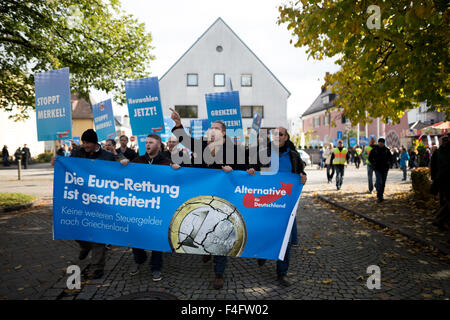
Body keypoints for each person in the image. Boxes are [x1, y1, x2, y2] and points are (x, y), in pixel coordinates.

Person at [170, 107, 251, 290]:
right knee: (201, 227)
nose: (211, 132)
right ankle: (205, 250)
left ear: (223, 132)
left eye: (215, 129)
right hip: (202, 197)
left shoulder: (235, 151)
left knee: (220, 233)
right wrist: (177, 124)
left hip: (224, 199)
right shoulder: (202, 146)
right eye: (210, 129)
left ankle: (219, 273)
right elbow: (186, 142)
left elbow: (247, 172)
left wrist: (234, 172)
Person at [255, 127, 307, 287]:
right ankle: (263, 252)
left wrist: (303, 177)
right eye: (275, 134)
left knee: (286, 239)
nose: (277, 136)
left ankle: (282, 273)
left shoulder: (293, 155)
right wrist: (250, 172)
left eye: (281, 134)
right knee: (264, 231)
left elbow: (301, 173)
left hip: (286, 203)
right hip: (266, 201)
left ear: (286, 138)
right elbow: (253, 171)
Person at [126, 134, 180, 281]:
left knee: (157, 237)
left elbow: (176, 182)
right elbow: (126, 176)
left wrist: (177, 171)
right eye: (146, 142)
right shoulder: (137, 161)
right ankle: (139, 259)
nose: (148, 145)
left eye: (151, 142)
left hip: (158, 207)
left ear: (158, 145)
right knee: (136, 234)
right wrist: (123, 164)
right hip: (140, 206)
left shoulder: (167, 163)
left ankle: (156, 268)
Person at [68, 129, 116, 279]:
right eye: (83, 142)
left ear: (95, 143)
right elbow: (67, 167)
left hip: (100, 202)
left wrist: (121, 159)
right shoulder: (77, 153)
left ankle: (97, 267)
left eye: (87, 142)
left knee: (98, 235)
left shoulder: (108, 157)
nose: (85, 145)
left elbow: (118, 174)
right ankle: (85, 246)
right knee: (75, 230)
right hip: (80, 201)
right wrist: (56, 161)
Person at [431, 134, 450, 232]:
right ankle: (440, 220)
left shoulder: (437, 152)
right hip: (445, 179)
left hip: (440, 179)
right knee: (446, 202)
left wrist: (434, 180)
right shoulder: (441, 152)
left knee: (444, 201)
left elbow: (433, 168)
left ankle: (441, 221)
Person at [368, 138, 392, 202]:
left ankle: (381, 194)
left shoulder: (387, 150)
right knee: (379, 181)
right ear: (378, 143)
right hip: (377, 168)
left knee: (383, 183)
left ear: (384, 143)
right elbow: (370, 158)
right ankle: (379, 196)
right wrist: (373, 165)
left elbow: (391, 158)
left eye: (382, 142)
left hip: (385, 169)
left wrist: (389, 165)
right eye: (380, 142)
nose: (381, 143)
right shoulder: (374, 150)